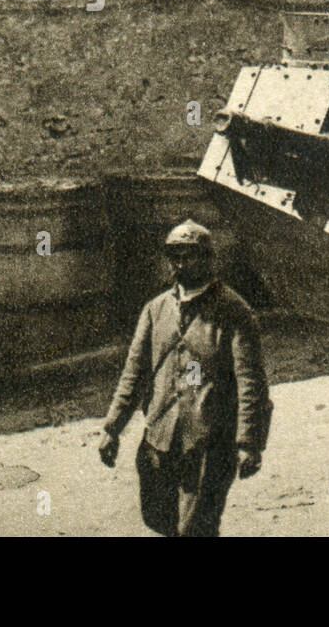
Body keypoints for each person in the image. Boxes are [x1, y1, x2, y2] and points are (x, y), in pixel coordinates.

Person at [97, 219, 271, 537]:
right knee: (160, 522)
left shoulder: (234, 311)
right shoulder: (155, 310)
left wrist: (248, 442)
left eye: (189, 255)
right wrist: (112, 428)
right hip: (159, 438)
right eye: (174, 256)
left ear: (207, 259)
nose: (180, 263)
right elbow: (133, 374)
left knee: (195, 528)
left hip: (209, 441)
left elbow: (251, 383)